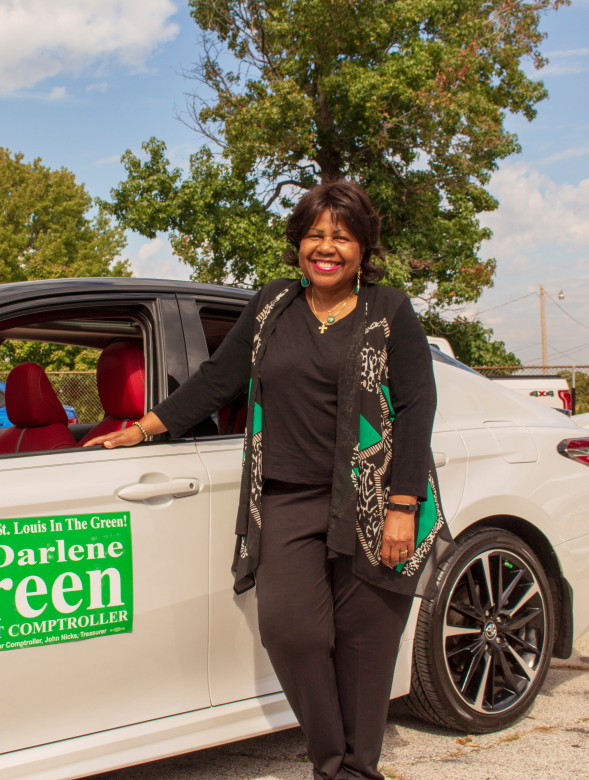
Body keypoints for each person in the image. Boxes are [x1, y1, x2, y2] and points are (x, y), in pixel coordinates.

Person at [84, 180, 450, 780]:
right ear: (297, 243)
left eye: (340, 236)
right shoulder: (273, 306)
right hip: (284, 500)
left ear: (363, 248)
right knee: (292, 634)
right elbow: (217, 379)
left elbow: (416, 408)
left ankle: (350, 772)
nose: (325, 248)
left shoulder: (389, 311)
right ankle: (333, 758)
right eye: (314, 235)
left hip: (371, 503)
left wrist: (402, 503)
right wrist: (144, 427)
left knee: (365, 650)